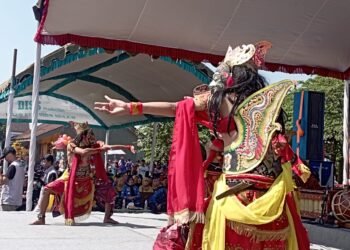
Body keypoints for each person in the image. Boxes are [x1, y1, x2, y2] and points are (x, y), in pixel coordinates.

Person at [95, 42, 310, 249]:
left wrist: (132, 107)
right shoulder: (270, 104)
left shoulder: (220, 100)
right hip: (271, 193)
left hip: (234, 191)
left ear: (232, 73)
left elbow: (175, 107)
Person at [31, 122, 135, 225]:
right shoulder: (72, 145)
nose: (90, 138)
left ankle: (107, 217)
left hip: (87, 180)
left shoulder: (94, 145)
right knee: (46, 189)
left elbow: (109, 146)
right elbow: (83, 152)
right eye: (88, 136)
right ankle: (41, 218)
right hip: (70, 179)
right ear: (82, 136)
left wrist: (127, 147)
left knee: (109, 191)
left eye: (91, 136)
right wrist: (99, 149)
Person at [0, 147, 25, 211]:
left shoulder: (12, 166)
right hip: (17, 200)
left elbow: (2, 182)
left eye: (5, 157)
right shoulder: (21, 165)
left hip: (9, 200)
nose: (5, 159)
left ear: (10, 155)